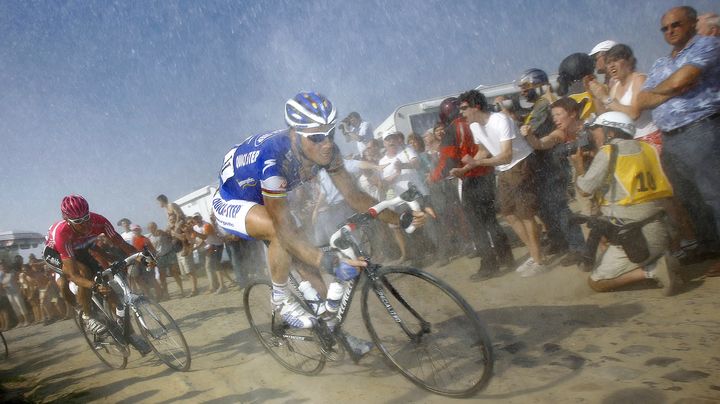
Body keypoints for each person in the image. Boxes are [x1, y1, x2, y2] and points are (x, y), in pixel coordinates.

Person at [212, 91, 426, 330]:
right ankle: (280, 299)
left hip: (262, 194)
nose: (327, 144)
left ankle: (329, 331)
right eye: (316, 138)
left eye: (331, 134)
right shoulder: (273, 160)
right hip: (232, 199)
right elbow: (282, 228)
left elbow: (355, 196)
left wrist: (398, 218)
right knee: (280, 233)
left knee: (312, 268)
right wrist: (330, 263)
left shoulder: (329, 152)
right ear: (295, 134)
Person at [637, 6, 720, 275]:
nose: (670, 31)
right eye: (665, 28)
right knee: (689, 197)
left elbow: (684, 78)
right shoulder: (662, 62)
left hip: (700, 130)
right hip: (671, 138)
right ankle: (708, 245)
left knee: (714, 194)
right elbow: (642, 99)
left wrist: (671, 86)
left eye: (676, 25)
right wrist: (673, 88)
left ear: (693, 24)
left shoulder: (707, 45)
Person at [570, 112, 679, 294]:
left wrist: (579, 166)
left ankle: (652, 270)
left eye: (597, 129)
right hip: (662, 227)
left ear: (610, 132)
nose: (593, 134)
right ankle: (664, 257)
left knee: (597, 282)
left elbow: (584, 189)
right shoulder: (647, 148)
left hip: (637, 236)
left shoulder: (609, 152)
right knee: (604, 233)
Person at [458, 89, 545, 277]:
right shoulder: (474, 127)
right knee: (509, 214)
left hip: (521, 164)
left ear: (477, 107)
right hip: (504, 170)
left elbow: (506, 155)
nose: (461, 113)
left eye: (464, 108)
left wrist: (477, 163)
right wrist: (464, 170)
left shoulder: (500, 120)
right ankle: (534, 254)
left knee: (526, 214)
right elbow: (483, 151)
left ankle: (538, 261)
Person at [439, 97, 514, 279]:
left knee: (476, 225)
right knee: (490, 220)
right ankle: (506, 256)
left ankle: (488, 264)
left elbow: (448, 156)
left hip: (471, 177)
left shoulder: (457, 126)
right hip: (487, 173)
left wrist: (441, 174)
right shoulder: (477, 122)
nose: (462, 112)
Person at [518, 69, 586, 266]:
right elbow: (536, 140)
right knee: (550, 208)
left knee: (560, 208)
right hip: (544, 164)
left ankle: (578, 247)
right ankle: (565, 243)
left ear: (538, 85)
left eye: (526, 87)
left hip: (553, 164)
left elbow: (539, 134)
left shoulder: (545, 104)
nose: (523, 91)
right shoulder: (538, 106)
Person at [45, 195, 139, 335]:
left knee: (106, 286)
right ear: (67, 220)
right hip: (56, 253)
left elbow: (121, 243)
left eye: (86, 217)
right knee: (73, 279)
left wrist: (140, 256)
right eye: (78, 221)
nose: (84, 224)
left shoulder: (99, 220)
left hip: (79, 248)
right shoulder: (61, 232)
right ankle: (85, 316)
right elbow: (74, 274)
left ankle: (130, 334)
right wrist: (94, 286)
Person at [147, 221, 185, 299]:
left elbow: (172, 238)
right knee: (162, 276)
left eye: (153, 227)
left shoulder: (162, 233)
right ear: (148, 229)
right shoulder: (149, 238)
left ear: (156, 226)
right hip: (160, 257)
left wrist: (166, 233)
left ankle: (181, 290)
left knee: (175, 273)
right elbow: (151, 249)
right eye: (150, 228)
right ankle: (166, 294)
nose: (152, 228)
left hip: (169, 254)